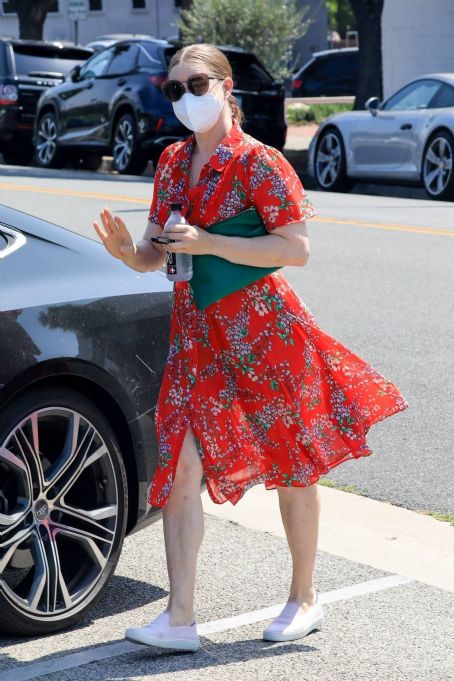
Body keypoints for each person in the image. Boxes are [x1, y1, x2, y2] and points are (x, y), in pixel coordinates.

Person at [93, 43, 408, 653]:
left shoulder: (259, 163)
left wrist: (211, 243)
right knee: (180, 469)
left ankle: (304, 598)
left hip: (263, 333)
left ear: (227, 86)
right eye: (174, 88)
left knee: (293, 462)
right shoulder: (170, 162)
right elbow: (158, 251)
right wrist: (127, 254)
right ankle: (179, 617)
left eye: (198, 83)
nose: (186, 96)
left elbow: (295, 248)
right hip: (196, 338)